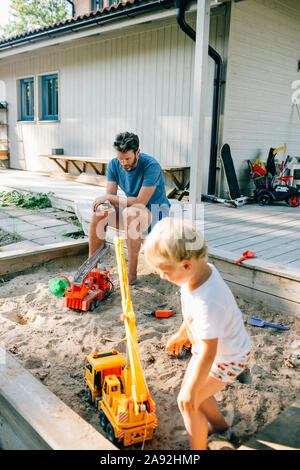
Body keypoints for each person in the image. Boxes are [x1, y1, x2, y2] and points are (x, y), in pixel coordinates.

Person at [144, 217, 251, 450]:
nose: (162, 276)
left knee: (188, 402)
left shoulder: (209, 301)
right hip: (210, 350)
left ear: (186, 265)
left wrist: (191, 392)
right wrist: (183, 332)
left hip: (227, 357)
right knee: (195, 393)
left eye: (164, 271)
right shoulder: (199, 272)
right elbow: (192, 314)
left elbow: (209, 353)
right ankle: (222, 429)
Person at [89, 131, 170, 285]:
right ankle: (92, 268)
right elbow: (111, 201)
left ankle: (131, 273)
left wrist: (108, 198)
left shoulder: (151, 166)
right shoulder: (114, 164)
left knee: (131, 212)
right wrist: (106, 202)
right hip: (132, 212)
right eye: (121, 159)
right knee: (102, 211)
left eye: (128, 158)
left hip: (156, 213)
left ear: (137, 152)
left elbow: (140, 201)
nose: (124, 163)